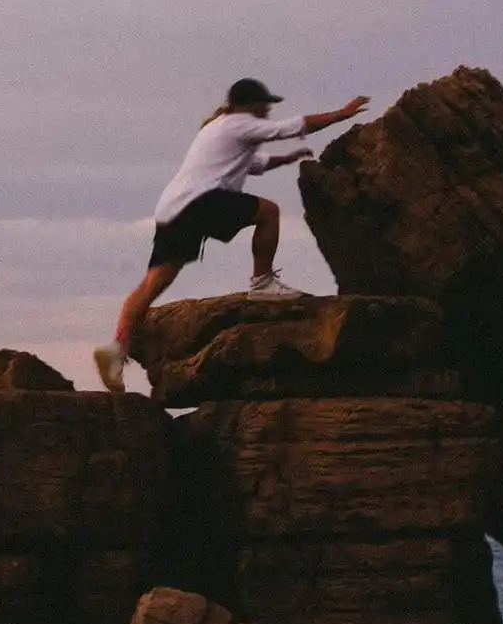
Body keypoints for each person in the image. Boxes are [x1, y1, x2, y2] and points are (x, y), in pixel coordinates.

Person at [94, 78, 369, 393]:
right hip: (201, 202)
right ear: (248, 104)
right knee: (269, 212)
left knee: (153, 283)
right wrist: (341, 114)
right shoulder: (239, 122)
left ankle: (117, 350)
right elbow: (292, 127)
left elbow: (253, 164)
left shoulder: (218, 130)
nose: (267, 109)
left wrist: (288, 159)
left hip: (172, 208)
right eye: (264, 103)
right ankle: (262, 283)